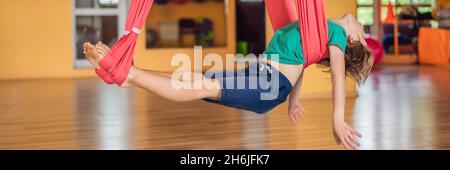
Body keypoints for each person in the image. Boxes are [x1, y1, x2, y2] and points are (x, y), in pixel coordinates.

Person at [83, 11, 373, 150]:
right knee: (193, 80)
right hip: (263, 76)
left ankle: (128, 73)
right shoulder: (318, 32)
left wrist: (337, 119)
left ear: (351, 40)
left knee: (202, 85)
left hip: (268, 84)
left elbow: (337, 73)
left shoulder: (335, 34)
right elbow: (303, 61)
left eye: (363, 36)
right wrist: (294, 101)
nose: (363, 28)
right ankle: (128, 77)